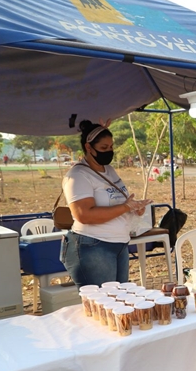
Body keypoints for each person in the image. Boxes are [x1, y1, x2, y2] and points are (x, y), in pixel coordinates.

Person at [61, 119, 152, 288]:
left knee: (119, 299)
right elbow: (83, 215)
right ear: (89, 148)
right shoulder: (78, 175)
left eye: (111, 147)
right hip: (94, 246)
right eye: (104, 148)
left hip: (119, 244)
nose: (109, 151)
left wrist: (133, 209)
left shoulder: (109, 170)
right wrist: (125, 207)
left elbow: (117, 203)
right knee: (103, 304)